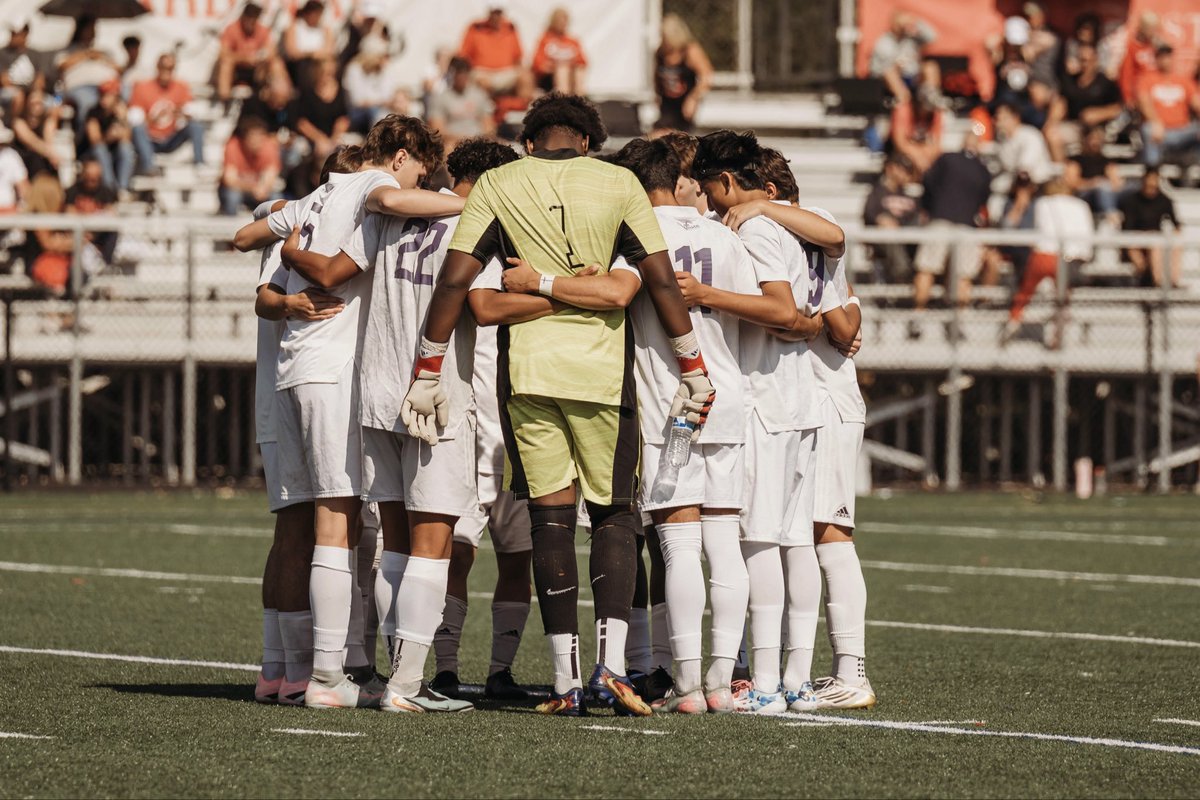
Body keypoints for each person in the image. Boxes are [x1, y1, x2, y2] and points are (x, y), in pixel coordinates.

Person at [403, 93, 713, 717]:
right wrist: (693, 365)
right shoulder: (619, 182)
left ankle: (566, 681)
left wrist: (427, 367)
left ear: (530, 139)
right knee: (615, 516)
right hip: (601, 373)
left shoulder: (498, 182)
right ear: (589, 140)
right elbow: (657, 279)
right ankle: (612, 669)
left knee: (550, 520)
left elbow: (456, 280)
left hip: (528, 372)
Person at [234, 115, 466, 711]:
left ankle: (308, 671)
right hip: (334, 369)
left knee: (320, 524)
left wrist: (286, 238)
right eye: (421, 170)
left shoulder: (314, 196)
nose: (421, 182)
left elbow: (243, 236)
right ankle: (327, 675)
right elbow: (389, 202)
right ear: (401, 156)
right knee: (335, 523)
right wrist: (471, 204)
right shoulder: (370, 186)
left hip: (293, 370)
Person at [574, 137, 754, 714]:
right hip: (724, 396)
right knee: (724, 546)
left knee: (678, 547)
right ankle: (723, 684)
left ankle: (688, 684)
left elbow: (613, 296)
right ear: (677, 180)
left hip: (667, 406)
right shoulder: (724, 237)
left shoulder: (635, 234)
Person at [685, 130, 837, 714]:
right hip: (795, 397)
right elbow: (801, 315)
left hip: (765, 400)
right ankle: (795, 679)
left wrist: (706, 293)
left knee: (759, 543)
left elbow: (780, 308)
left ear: (726, 181)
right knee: (794, 542)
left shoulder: (753, 228)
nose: (705, 199)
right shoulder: (789, 223)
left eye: (708, 187)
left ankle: (768, 682)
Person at [415, 140, 537, 703]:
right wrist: (560, 296)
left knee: (474, 551)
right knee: (483, 552)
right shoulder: (479, 228)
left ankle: (455, 670)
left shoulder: (418, 220)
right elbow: (485, 307)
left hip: (478, 411)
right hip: (485, 413)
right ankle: (476, 670)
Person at [247, 147, 361, 705]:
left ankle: (277, 670)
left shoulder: (298, 220)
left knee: (295, 532)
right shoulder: (302, 226)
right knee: (305, 531)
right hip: (294, 395)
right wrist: (292, 304)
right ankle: (297, 672)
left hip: (289, 393)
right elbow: (265, 298)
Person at [913, 132, 993, 315]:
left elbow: (928, 183)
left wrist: (928, 208)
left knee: (927, 269)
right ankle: (958, 319)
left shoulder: (947, 159)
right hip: (967, 226)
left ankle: (918, 314)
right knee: (963, 276)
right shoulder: (983, 170)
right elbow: (983, 202)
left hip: (939, 221)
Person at [1005, 178, 1093, 340]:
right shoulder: (1081, 205)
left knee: (1025, 291)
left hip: (1044, 254)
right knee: (1062, 296)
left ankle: (1014, 320)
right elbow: (1087, 236)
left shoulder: (1042, 203)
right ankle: (1058, 332)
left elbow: (1033, 228)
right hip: (1069, 257)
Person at [1045, 43, 1122, 162]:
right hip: (1075, 125)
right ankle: (1063, 169)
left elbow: (1117, 108)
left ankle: (1094, 169)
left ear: (1095, 60)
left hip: (1099, 128)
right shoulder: (1069, 81)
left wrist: (1099, 114)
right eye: (1081, 60)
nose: (1084, 64)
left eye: (1087, 60)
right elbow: (1060, 103)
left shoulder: (1105, 83)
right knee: (1052, 134)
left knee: (1093, 141)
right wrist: (1051, 122)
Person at [129, 54, 205, 171]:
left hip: (170, 138)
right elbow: (134, 120)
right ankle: (149, 167)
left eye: (170, 68)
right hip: (149, 139)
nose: (166, 72)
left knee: (196, 126)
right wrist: (154, 118)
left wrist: (180, 112)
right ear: (157, 67)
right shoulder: (142, 87)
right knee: (137, 129)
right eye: (163, 67)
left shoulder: (181, 87)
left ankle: (200, 164)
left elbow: (192, 113)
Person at [56, 15, 120, 139]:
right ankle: (84, 140)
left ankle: (115, 139)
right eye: (89, 29)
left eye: (93, 29)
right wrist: (84, 55)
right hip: (80, 88)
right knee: (88, 104)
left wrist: (101, 57)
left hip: (106, 87)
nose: (92, 32)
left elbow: (118, 68)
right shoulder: (69, 50)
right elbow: (62, 65)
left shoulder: (103, 51)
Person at [1137, 45, 1200, 168]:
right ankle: (1153, 170)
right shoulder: (1147, 80)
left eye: (1168, 57)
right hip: (1161, 131)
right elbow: (1144, 103)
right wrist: (1155, 122)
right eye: (1162, 57)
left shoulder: (1183, 81)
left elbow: (1197, 103)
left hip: (1183, 130)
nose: (1166, 61)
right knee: (1148, 130)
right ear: (1157, 59)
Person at [1119, 167, 1182, 288]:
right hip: (1136, 239)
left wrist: (1175, 237)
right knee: (1155, 245)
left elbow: (1176, 224)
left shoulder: (1164, 200)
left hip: (1156, 239)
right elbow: (1127, 229)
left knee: (1173, 245)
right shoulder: (1132, 201)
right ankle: (1158, 283)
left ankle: (1173, 282)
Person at [863, 154, 919, 284]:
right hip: (885, 243)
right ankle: (902, 272)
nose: (907, 175)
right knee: (888, 233)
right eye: (903, 170)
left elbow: (916, 219)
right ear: (890, 168)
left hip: (908, 240)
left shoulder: (910, 196)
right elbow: (870, 216)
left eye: (909, 171)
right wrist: (883, 220)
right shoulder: (877, 193)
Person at [652, 14, 713, 133]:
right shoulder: (661, 52)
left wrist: (694, 98)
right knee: (657, 135)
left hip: (684, 103)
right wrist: (656, 94)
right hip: (667, 104)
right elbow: (656, 76)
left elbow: (706, 76)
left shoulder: (689, 51)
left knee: (679, 136)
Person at [216, 1, 285, 104]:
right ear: (243, 17)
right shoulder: (232, 29)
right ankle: (224, 100)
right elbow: (223, 54)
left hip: (256, 70)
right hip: (237, 70)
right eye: (249, 19)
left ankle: (281, 100)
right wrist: (244, 58)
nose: (251, 23)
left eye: (254, 19)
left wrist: (261, 58)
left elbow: (272, 51)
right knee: (226, 63)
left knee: (276, 64)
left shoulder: (262, 30)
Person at [458, 5, 528, 98]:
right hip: (482, 73)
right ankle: (486, 106)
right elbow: (464, 56)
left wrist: (523, 72)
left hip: (506, 73)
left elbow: (518, 57)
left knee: (526, 78)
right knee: (483, 83)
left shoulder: (510, 28)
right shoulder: (476, 28)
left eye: (498, 13)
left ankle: (524, 106)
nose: (496, 16)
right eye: (493, 13)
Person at [287, 58, 350, 161]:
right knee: (301, 148)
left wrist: (334, 139)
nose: (327, 76)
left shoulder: (341, 91)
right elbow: (302, 123)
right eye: (324, 73)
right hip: (312, 137)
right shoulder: (307, 91)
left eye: (330, 73)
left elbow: (343, 119)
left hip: (336, 136)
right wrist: (320, 139)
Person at [426, 57, 495, 150]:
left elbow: (488, 125)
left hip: (478, 141)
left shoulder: (479, 95)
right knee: (448, 147)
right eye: (457, 72)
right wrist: (464, 139)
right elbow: (437, 130)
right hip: (453, 143)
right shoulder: (440, 98)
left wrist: (480, 138)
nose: (461, 76)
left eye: (463, 72)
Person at [888, 59, 943, 175]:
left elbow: (936, 143)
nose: (926, 111)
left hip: (925, 157)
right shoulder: (903, 108)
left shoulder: (936, 112)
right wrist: (919, 157)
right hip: (905, 157)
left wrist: (926, 156)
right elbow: (900, 142)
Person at [869, 10, 936, 104]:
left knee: (930, 67)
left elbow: (932, 37)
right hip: (895, 79)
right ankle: (903, 100)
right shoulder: (884, 43)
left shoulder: (911, 39)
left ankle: (930, 99)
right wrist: (897, 66)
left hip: (913, 76)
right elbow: (877, 70)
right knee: (890, 72)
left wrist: (916, 23)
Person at [80, 80, 135, 193]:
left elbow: (127, 139)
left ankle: (122, 188)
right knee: (100, 150)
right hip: (90, 153)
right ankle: (109, 188)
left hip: (113, 154)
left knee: (126, 148)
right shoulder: (93, 112)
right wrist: (109, 137)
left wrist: (123, 119)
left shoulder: (120, 113)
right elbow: (94, 140)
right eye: (102, 95)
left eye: (108, 95)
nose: (104, 99)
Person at [219, 116, 281, 216]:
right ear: (244, 137)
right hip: (240, 190)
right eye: (252, 136)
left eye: (260, 136)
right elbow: (230, 179)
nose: (256, 140)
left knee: (276, 198)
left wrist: (262, 188)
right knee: (232, 197)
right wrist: (252, 188)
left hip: (259, 191)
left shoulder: (269, 146)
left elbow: (270, 175)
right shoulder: (233, 146)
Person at [1066, 125, 1122, 225]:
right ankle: (1112, 217)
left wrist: (1103, 184)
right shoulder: (1076, 160)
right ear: (1085, 140)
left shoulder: (1106, 161)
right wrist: (1092, 183)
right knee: (1101, 187)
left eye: (1098, 139)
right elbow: (1072, 183)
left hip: (1104, 192)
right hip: (1083, 194)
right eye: (1093, 139)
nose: (1095, 142)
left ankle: (1112, 216)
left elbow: (1116, 183)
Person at [65, 156, 117, 264]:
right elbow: (70, 214)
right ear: (84, 175)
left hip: (98, 235)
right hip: (78, 234)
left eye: (96, 178)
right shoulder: (73, 191)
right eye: (89, 177)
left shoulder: (106, 192)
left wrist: (93, 233)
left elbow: (111, 215)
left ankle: (106, 263)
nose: (92, 181)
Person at [343, 37, 400, 134]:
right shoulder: (354, 69)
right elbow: (357, 101)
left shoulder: (383, 70)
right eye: (380, 56)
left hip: (380, 110)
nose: (383, 59)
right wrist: (380, 101)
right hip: (359, 113)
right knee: (376, 113)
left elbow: (389, 95)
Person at [994, 102, 1053, 184]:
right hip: (1015, 181)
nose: (999, 124)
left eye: (1004, 119)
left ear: (1015, 118)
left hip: (1038, 183)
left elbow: (1024, 170)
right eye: (997, 119)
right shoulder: (1002, 140)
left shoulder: (1030, 135)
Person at [0, 18, 51, 114]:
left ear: (25, 34)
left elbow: (40, 79)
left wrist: (34, 93)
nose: (12, 37)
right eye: (12, 33)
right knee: (18, 96)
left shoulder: (36, 54)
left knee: (45, 104)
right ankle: (15, 121)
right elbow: (5, 81)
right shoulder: (3, 53)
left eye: (16, 34)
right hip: (10, 93)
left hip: (30, 92)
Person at [532, 8, 587, 95]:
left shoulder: (572, 41)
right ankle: (563, 97)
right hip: (550, 78)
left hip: (571, 75)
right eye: (559, 20)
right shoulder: (545, 39)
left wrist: (570, 64)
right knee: (562, 69)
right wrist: (553, 66)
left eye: (565, 21)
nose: (563, 23)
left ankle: (579, 97)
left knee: (578, 71)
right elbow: (537, 64)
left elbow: (583, 62)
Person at [284, 0, 336, 89]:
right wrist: (310, 54)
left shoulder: (325, 29)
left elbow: (329, 50)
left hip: (320, 63)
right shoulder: (295, 27)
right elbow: (292, 52)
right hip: (301, 64)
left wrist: (317, 55)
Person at [11, 89, 60, 180]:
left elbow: (49, 142)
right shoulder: (18, 123)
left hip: (43, 163)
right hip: (24, 165)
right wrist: (52, 155)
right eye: (33, 103)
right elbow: (33, 143)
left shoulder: (46, 122)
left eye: (39, 103)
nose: (37, 107)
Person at [1118, 11, 1163, 106]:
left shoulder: (1156, 46)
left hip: (1157, 91)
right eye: (1150, 29)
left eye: (1155, 29)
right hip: (1140, 94)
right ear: (1142, 28)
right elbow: (1126, 74)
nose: (1153, 32)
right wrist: (1128, 97)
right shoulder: (1131, 47)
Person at [0, 133, 28, 214]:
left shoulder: (10, 155)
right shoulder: (10, 155)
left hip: (8, 209)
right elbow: (23, 187)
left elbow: (23, 187)